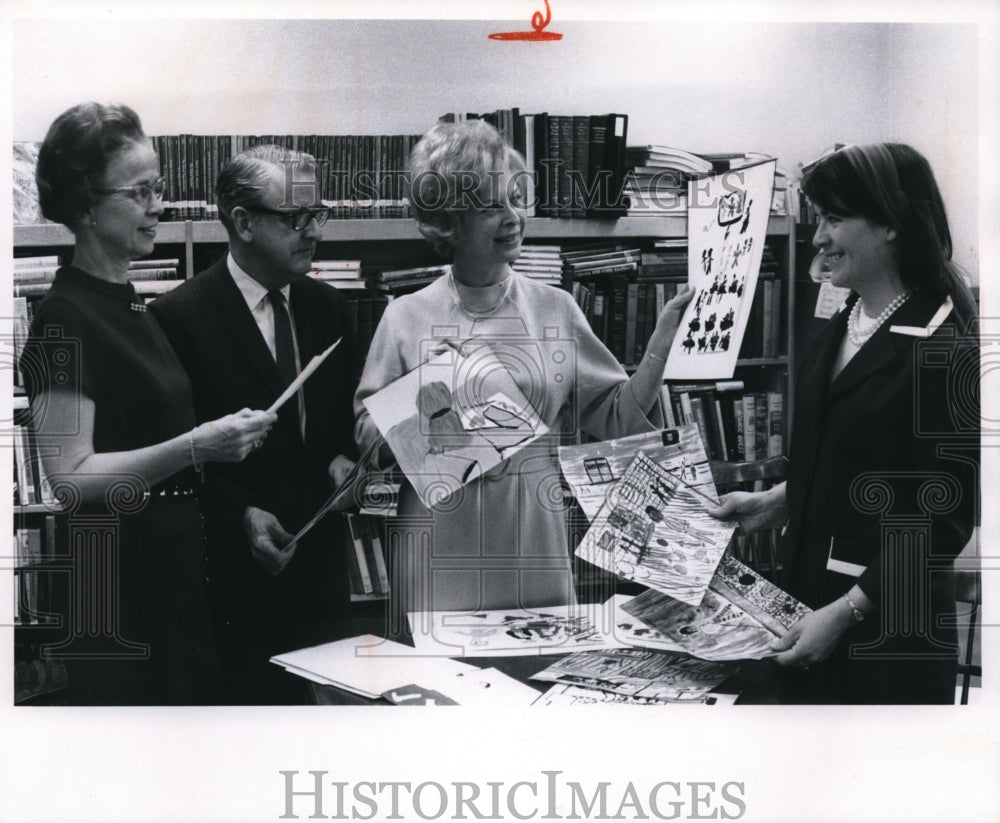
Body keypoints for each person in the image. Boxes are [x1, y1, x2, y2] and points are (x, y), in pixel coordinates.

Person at [354, 119, 690, 618]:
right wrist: (437, 405)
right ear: (450, 222)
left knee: (537, 667)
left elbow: (617, 418)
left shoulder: (555, 307)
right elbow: (367, 439)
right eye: (491, 207)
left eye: (514, 198)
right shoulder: (406, 314)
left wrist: (662, 342)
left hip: (534, 527)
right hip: (440, 531)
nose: (512, 217)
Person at [21, 102, 275, 705]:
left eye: (156, 189)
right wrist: (197, 446)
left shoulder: (131, 304)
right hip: (120, 588)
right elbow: (70, 479)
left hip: (172, 572)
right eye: (139, 193)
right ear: (85, 205)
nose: (157, 206)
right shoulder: (64, 318)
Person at [708, 143, 979, 703]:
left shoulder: (944, 351)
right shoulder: (843, 323)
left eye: (834, 218)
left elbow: (943, 523)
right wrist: (778, 500)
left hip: (884, 639)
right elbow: (849, 457)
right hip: (807, 608)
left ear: (892, 225)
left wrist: (844, 612)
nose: (818, 238)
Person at [150, 145, 360, 704]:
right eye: (295, 218)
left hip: (321, 566)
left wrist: (345, 462)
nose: (313, 231)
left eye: (319, 213)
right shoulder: (177, 317)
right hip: (234, 574)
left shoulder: (331, 308)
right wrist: (238, 512)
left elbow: (340, 427)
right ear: (242, 222)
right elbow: (172, 453)